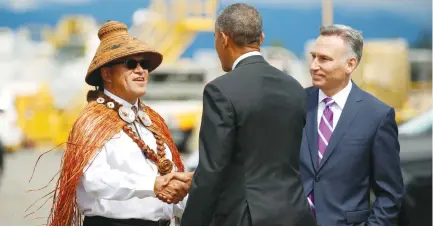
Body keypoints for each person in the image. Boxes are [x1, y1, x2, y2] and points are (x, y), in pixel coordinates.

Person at [39, 20, 193, 226]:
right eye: (131, 64)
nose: (141, 70)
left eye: (144, 64)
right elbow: (94, 179)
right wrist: (153, 185)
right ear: (106, 73)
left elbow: (168, 185)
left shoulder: (152, 121)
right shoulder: (92, 121)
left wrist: (183, 187)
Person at [180, 3, 316, 226]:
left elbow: (212, 170)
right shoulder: (295, 88)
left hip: (244, 216)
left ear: (223, 38)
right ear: (261, 38)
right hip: (295, 214)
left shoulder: (221, 90)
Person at [300, 24, 404, 225]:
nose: (314, 65)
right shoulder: (296, 104)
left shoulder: (376, 116)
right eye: (314, 56)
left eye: (324, 59)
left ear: (350, 64)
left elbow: (390, 193)